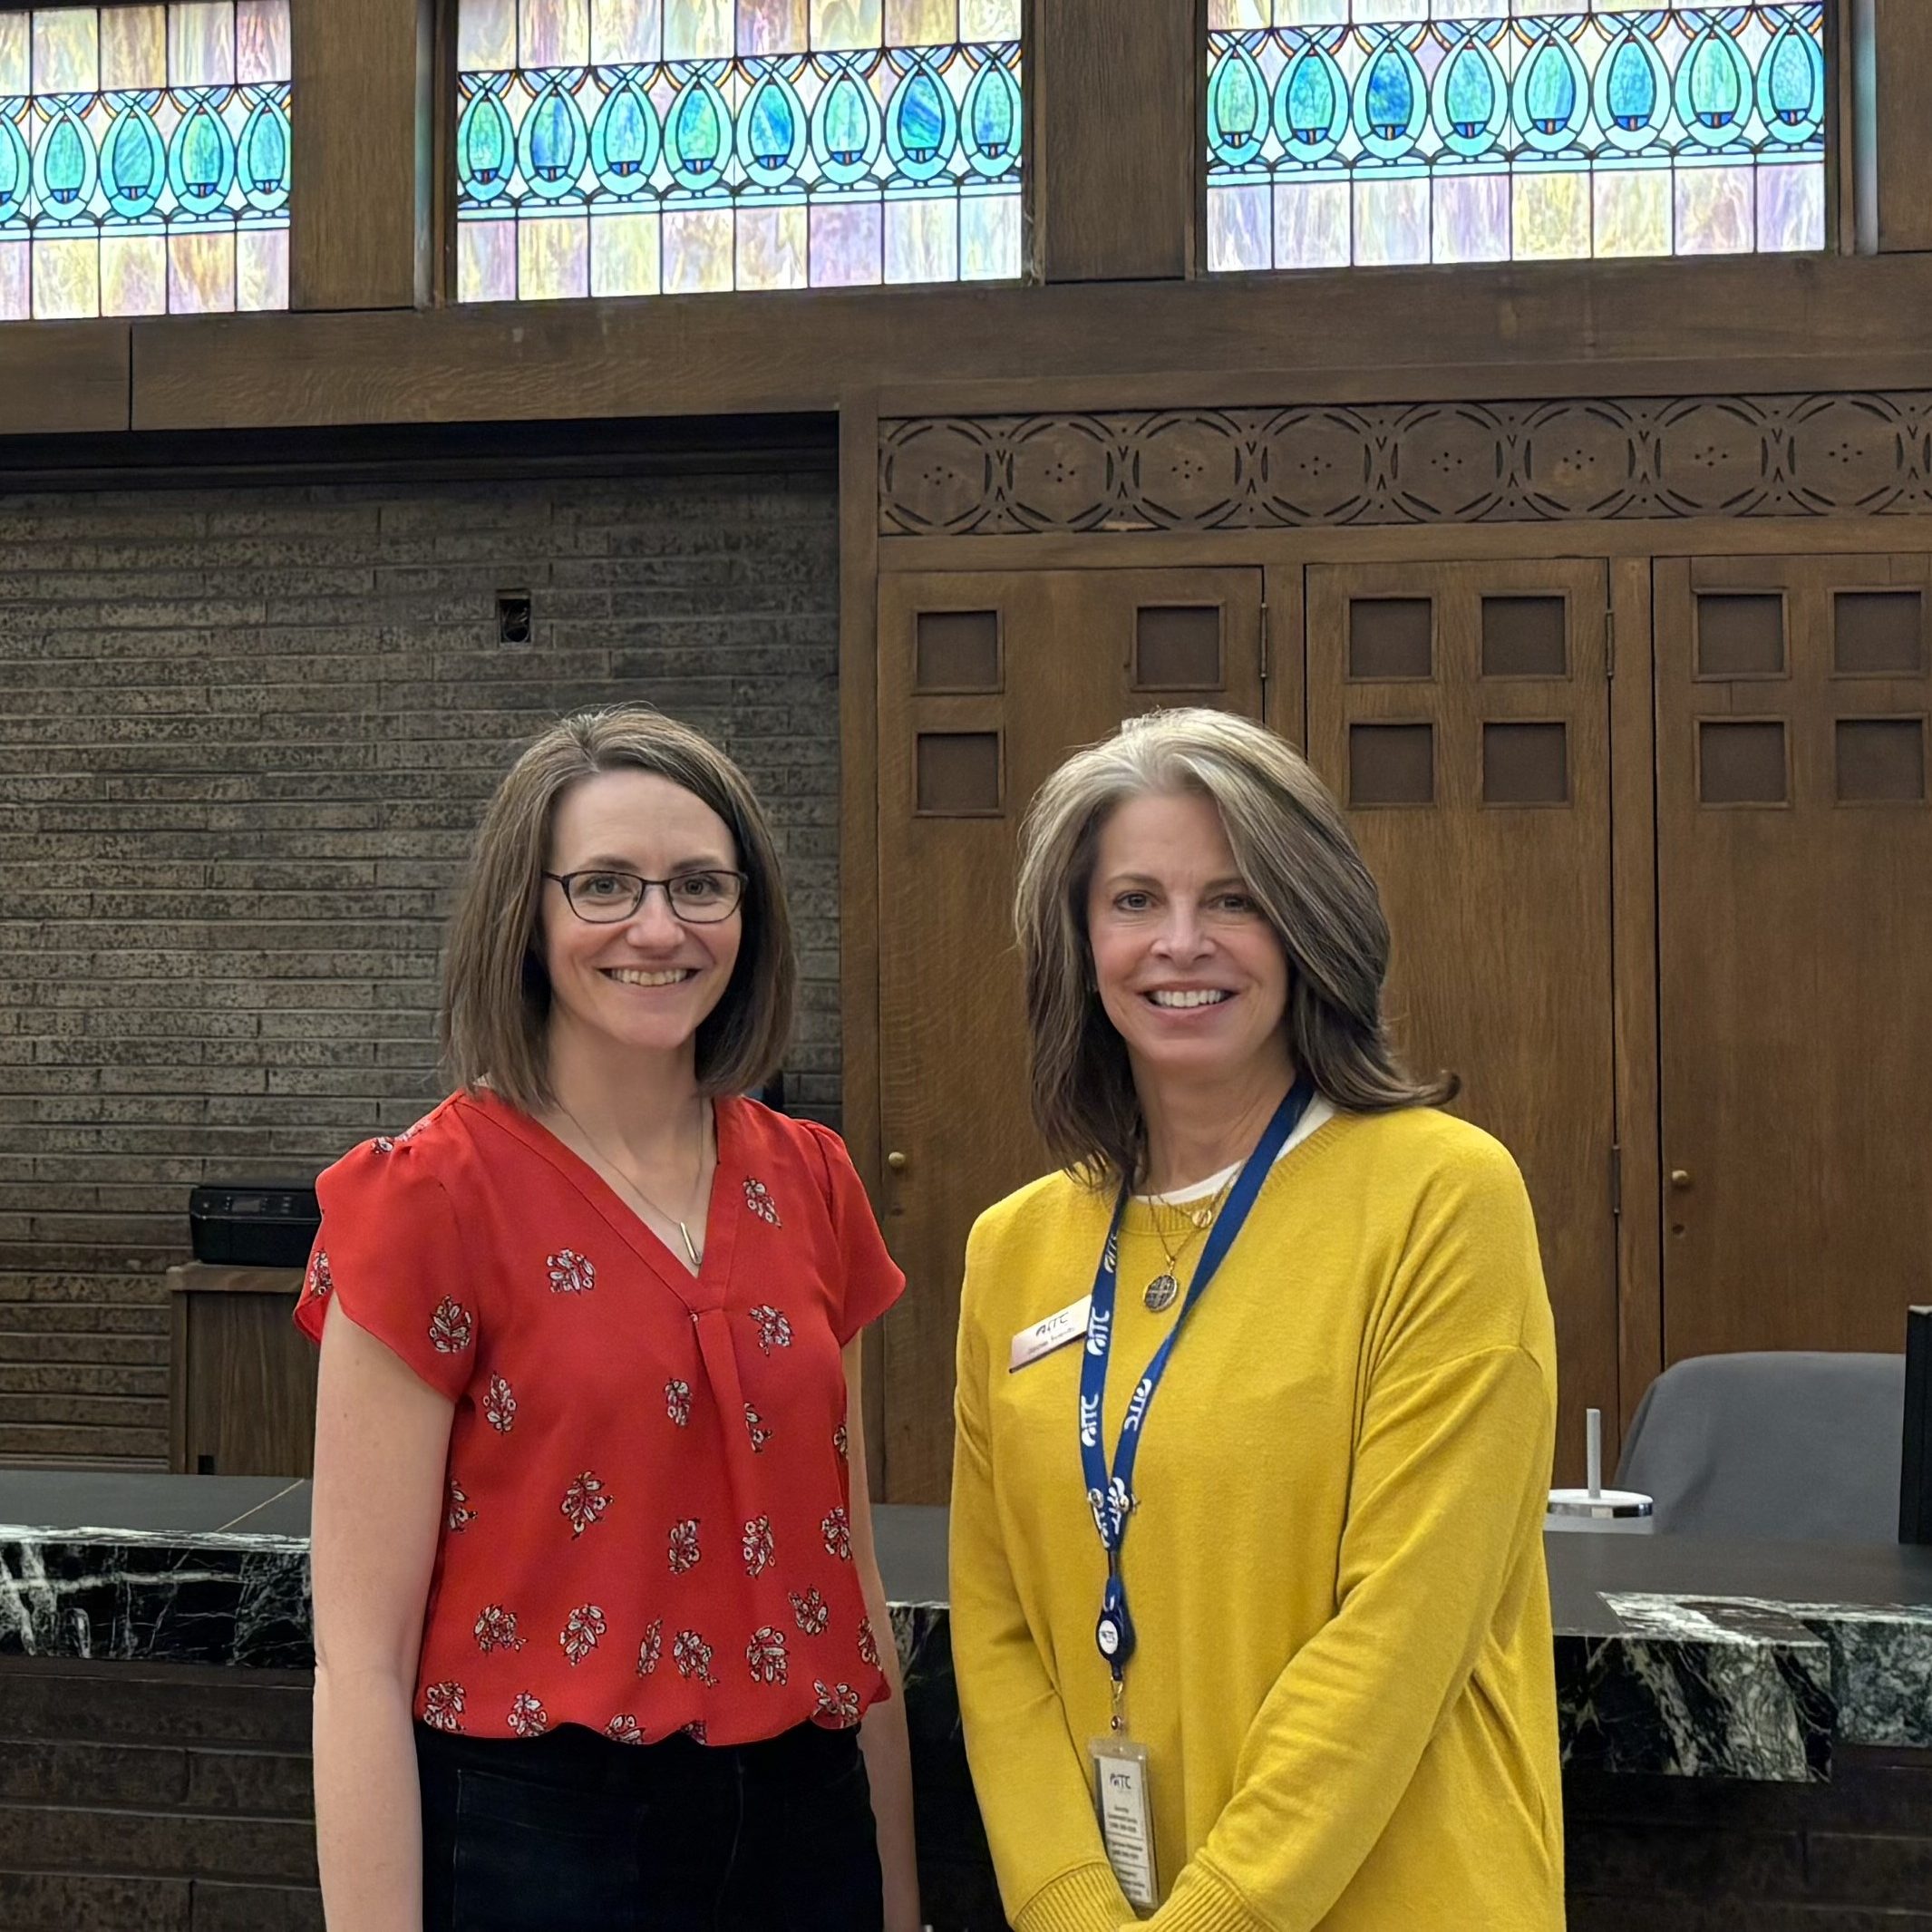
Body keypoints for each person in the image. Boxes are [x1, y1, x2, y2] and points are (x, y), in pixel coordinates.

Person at [298, 706, 919, 1932]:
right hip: (542, 1829)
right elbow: (356, 1663)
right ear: (525, 915)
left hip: (807, 1806)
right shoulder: (425, 1196)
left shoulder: (813, 1182)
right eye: (604, 885)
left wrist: (898, 1898)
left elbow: (846, 1568)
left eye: (701, 885)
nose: (658, 926)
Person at [949, 708, 1563, 1932]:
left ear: (1308, 924)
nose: (1181, 944)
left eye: (1234, 899)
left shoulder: (1442, 1197)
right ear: (1077, 940)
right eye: (1133, 900)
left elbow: (1399, 1632)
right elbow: (1000, 1628)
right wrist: (1071, 1905)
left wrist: (1216, 1916)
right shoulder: (1011, 1250)